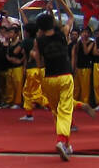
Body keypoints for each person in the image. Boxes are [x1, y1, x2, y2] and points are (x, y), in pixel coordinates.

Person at [32, 10, 75, 160]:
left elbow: (39, 63)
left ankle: (67, 144)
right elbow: (70, 17)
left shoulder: (38, 41)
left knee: (57, 111)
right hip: (65, 76)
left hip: (49, 78)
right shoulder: (62, 33)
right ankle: (62, 141)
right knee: (65, 110)